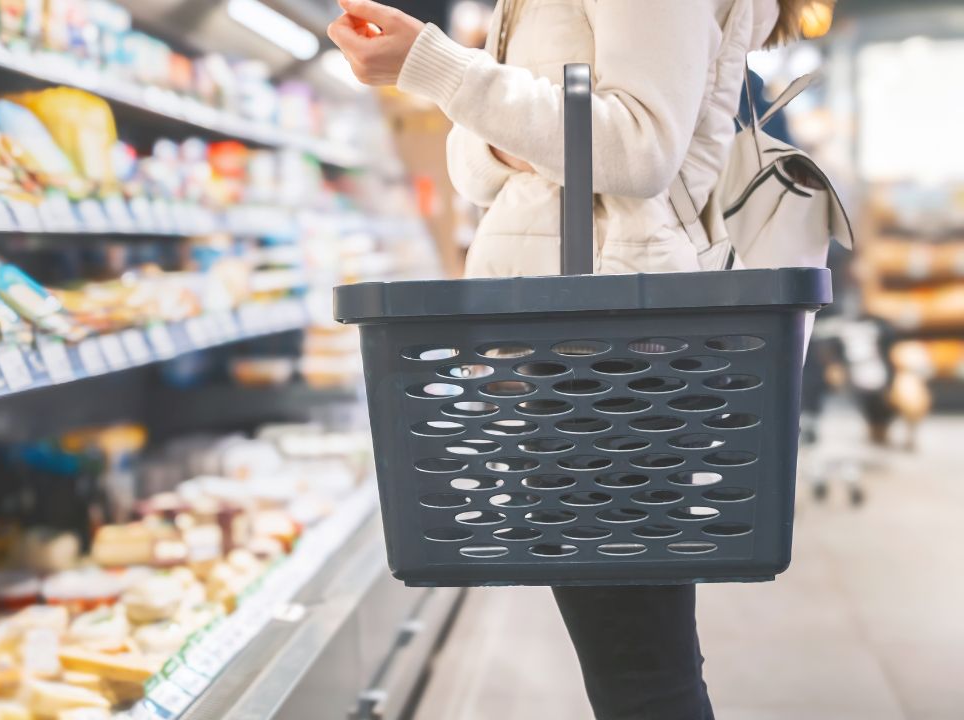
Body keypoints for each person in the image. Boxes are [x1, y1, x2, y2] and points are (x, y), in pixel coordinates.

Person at [328, 1, 818, 718]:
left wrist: (436, 69)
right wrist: (527, 131)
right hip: (574, 345)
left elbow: (639, 149)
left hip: (613, 355)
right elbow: (477, 168)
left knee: (640, 672)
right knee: (638, 660)